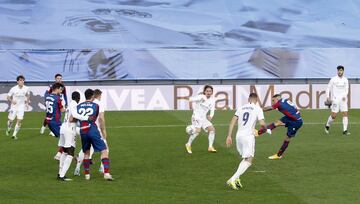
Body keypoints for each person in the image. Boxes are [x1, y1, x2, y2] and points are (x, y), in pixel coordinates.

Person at [225, 93, 270, 190]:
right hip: (248, 137)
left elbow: (232, 121)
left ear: (249, 99)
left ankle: (237, 178)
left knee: (245, 158)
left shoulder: (241, 108)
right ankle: (232, 179)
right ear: (256, 100)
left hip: (238, 136)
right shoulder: (258, 109)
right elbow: (262, 123)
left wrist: (229, 136)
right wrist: (267, 129)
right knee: (249, 160)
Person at [77, 89, 113, 181]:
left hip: (82, 130)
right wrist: (103, 130)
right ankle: (106, 173)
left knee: (86, 153)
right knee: (104, 150)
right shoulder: (96, 105)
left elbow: (75, 119)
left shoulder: (79, 106)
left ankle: (87, 175)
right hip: (92, 130)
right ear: (92, 96)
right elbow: (99, 118)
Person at [257, 94, 303, 159]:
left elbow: (269, 108)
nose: (273, 102)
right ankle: (258, 133)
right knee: (277, 122)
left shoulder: (279, 103)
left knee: (287, 138)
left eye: (273, 100)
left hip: (296, 122)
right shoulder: (285, 100)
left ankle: (279, 155)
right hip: (291, 118)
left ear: (278, 98)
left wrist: (258, 110)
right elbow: (294, 107)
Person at [57, 91, 90, 181]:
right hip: (69, 129)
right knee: (70, 153)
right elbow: (74, 116)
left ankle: (60, 173)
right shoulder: (74, 104)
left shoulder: (69, 104)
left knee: (64, 151)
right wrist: (86, 118)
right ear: (78, 98)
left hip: (63, 127)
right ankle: (62, 176)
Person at [185, 85, 217, 154]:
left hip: (203, 118)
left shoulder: (212, 100)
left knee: (212, 130)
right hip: (196, 117)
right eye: (207, 91)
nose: (208, 92)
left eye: (210, 91)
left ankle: (210, 147)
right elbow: (192, 99)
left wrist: (211, 116)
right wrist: (188, 98)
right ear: (204, 92)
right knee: (197, 131)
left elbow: (212, 110)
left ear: (212, 92)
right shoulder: (201, 97)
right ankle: (188, 144)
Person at [325, 65, 350, 135]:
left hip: (343, 100)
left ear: (343, 71)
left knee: (345, 114)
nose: (340, 71)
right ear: (337, 71)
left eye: (341, 70)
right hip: (335, 100)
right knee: (334, 116)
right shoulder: (333, 79)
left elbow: (347, 89)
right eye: (339, 70)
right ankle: (327, 125)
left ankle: (345, 130)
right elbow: (328, 88)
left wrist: (345, 96)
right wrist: (327, 97)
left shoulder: (345, 80)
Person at [6, 75, 30, 139]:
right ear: (17, 81)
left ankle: (14, 135)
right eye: (20, 80)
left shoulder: (26, 88)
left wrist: (27, 103)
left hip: (21, 107)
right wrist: (12, 101)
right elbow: (8, 97)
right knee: (10, 121)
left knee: (19, 120)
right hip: (14, 107)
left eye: (23, 80)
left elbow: (27, 95)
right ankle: (9, 127)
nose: (22, 81)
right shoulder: (13, 88)